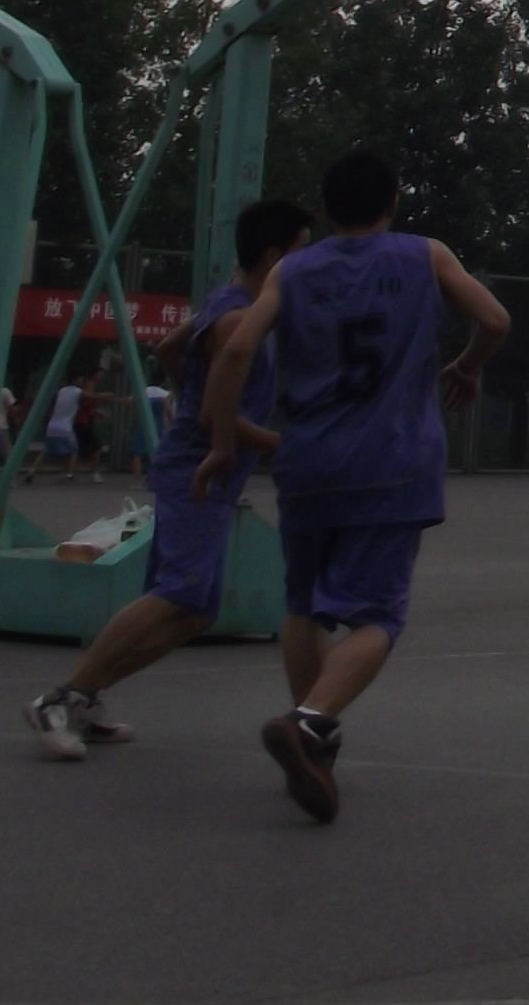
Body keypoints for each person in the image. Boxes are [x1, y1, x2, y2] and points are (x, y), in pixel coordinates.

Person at [192, 148, 511, 824]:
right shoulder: (424, 256)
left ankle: (315, 738)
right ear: (393, 201)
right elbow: (494, 321)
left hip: (309, 460)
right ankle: (309, 722)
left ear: (328, 207)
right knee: (378, 616)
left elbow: (237, 350)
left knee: (303, 605)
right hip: (392, 461)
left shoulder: (292, 270)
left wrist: (222, 442)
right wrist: (466, 365)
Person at [26, 200, 309, 760]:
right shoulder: (236, 320)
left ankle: (85, 696)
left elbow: (169, 348)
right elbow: (214, 419)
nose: (310, 264)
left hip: (204, 472)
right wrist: (290, 445)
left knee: (196, 610)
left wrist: (190, 395)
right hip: (198, 473)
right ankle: (58, 699)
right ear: (274, 256)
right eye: (302, 252)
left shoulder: (232, 305)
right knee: (179, 593)